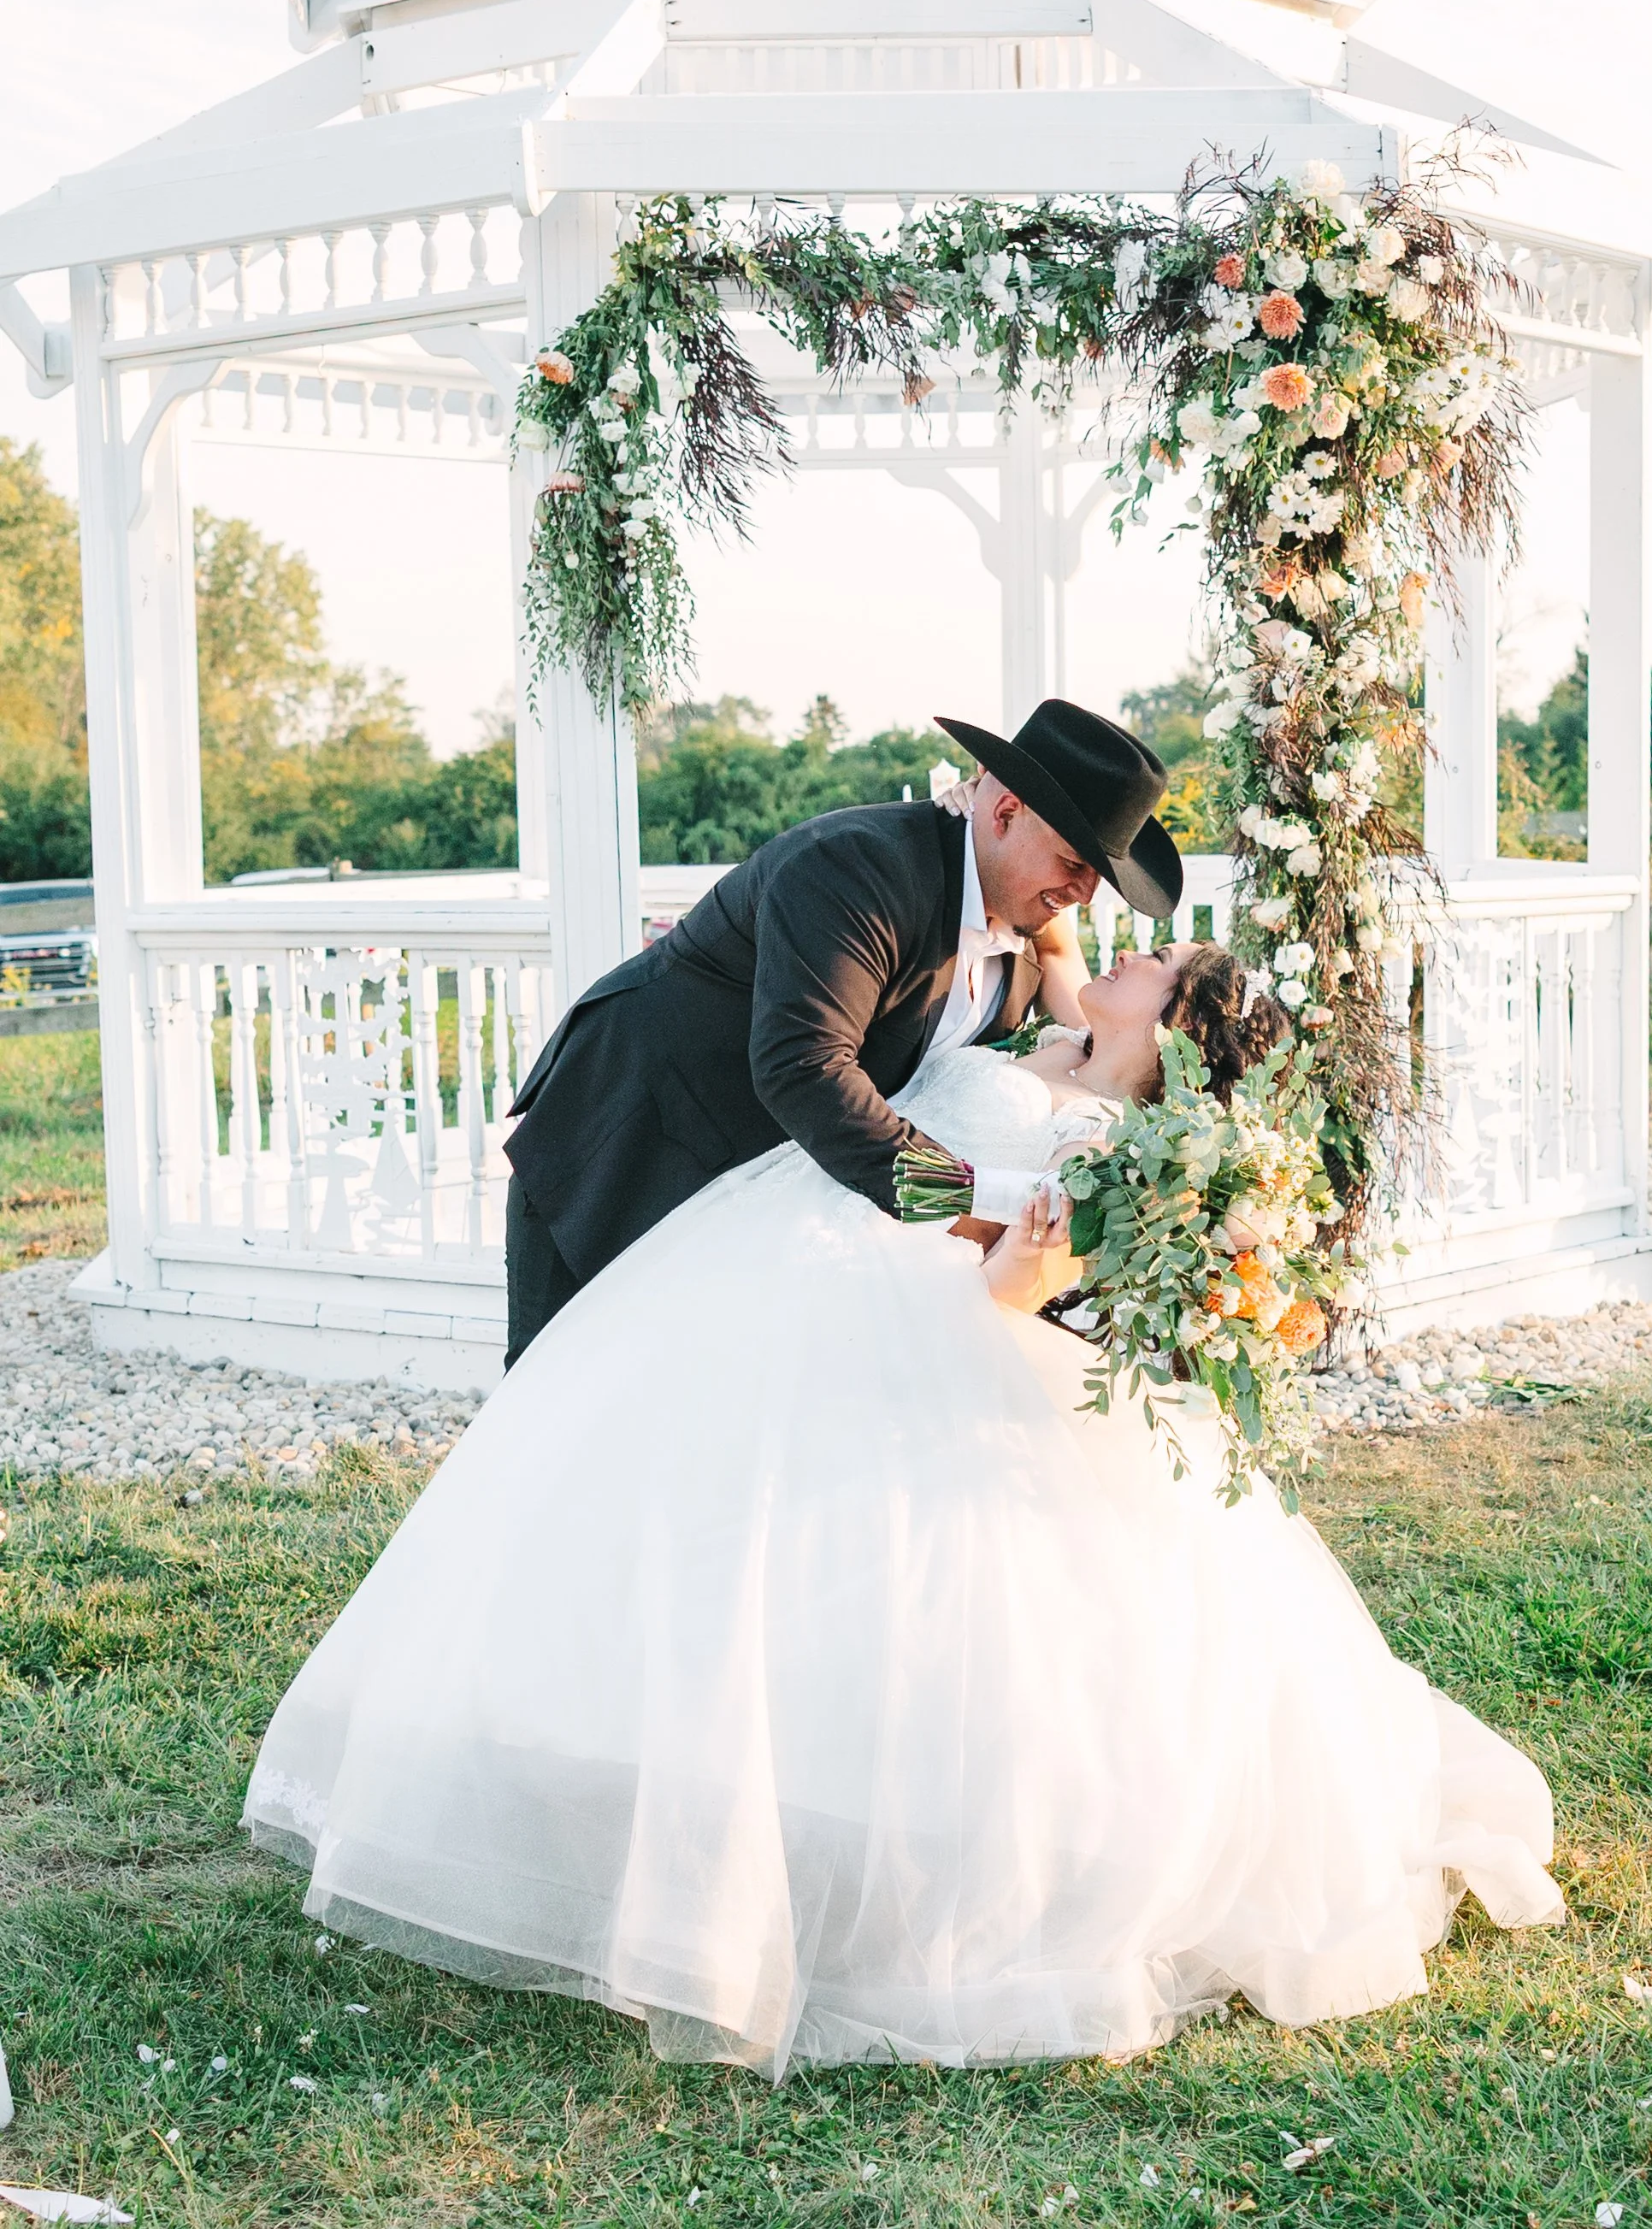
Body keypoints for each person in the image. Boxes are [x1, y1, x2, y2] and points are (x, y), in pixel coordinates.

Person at [245, 935, 1563, 2079]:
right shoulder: (1053, 1032)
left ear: (1164, 1036)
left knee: (866, 1587)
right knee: (689, 1530)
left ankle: (818, 1861)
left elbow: (1011, 1285)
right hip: (775, 1257)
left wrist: (1017, 1259)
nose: (1114, 955)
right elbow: (1043, 936)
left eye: (1147, 968)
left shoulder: (1103, 1142)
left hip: (898, 1322)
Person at [500, 698, 1183, 1365]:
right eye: (1075, 865)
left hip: (755, 1222)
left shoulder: (1027, 937)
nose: (1086, 894)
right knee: (555, 1409)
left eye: (1100, 875)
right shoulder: (856, 868)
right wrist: (966, 1207)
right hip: (624, 1150)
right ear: (1004, 812)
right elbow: (804, 1067)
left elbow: (1096, 1060)